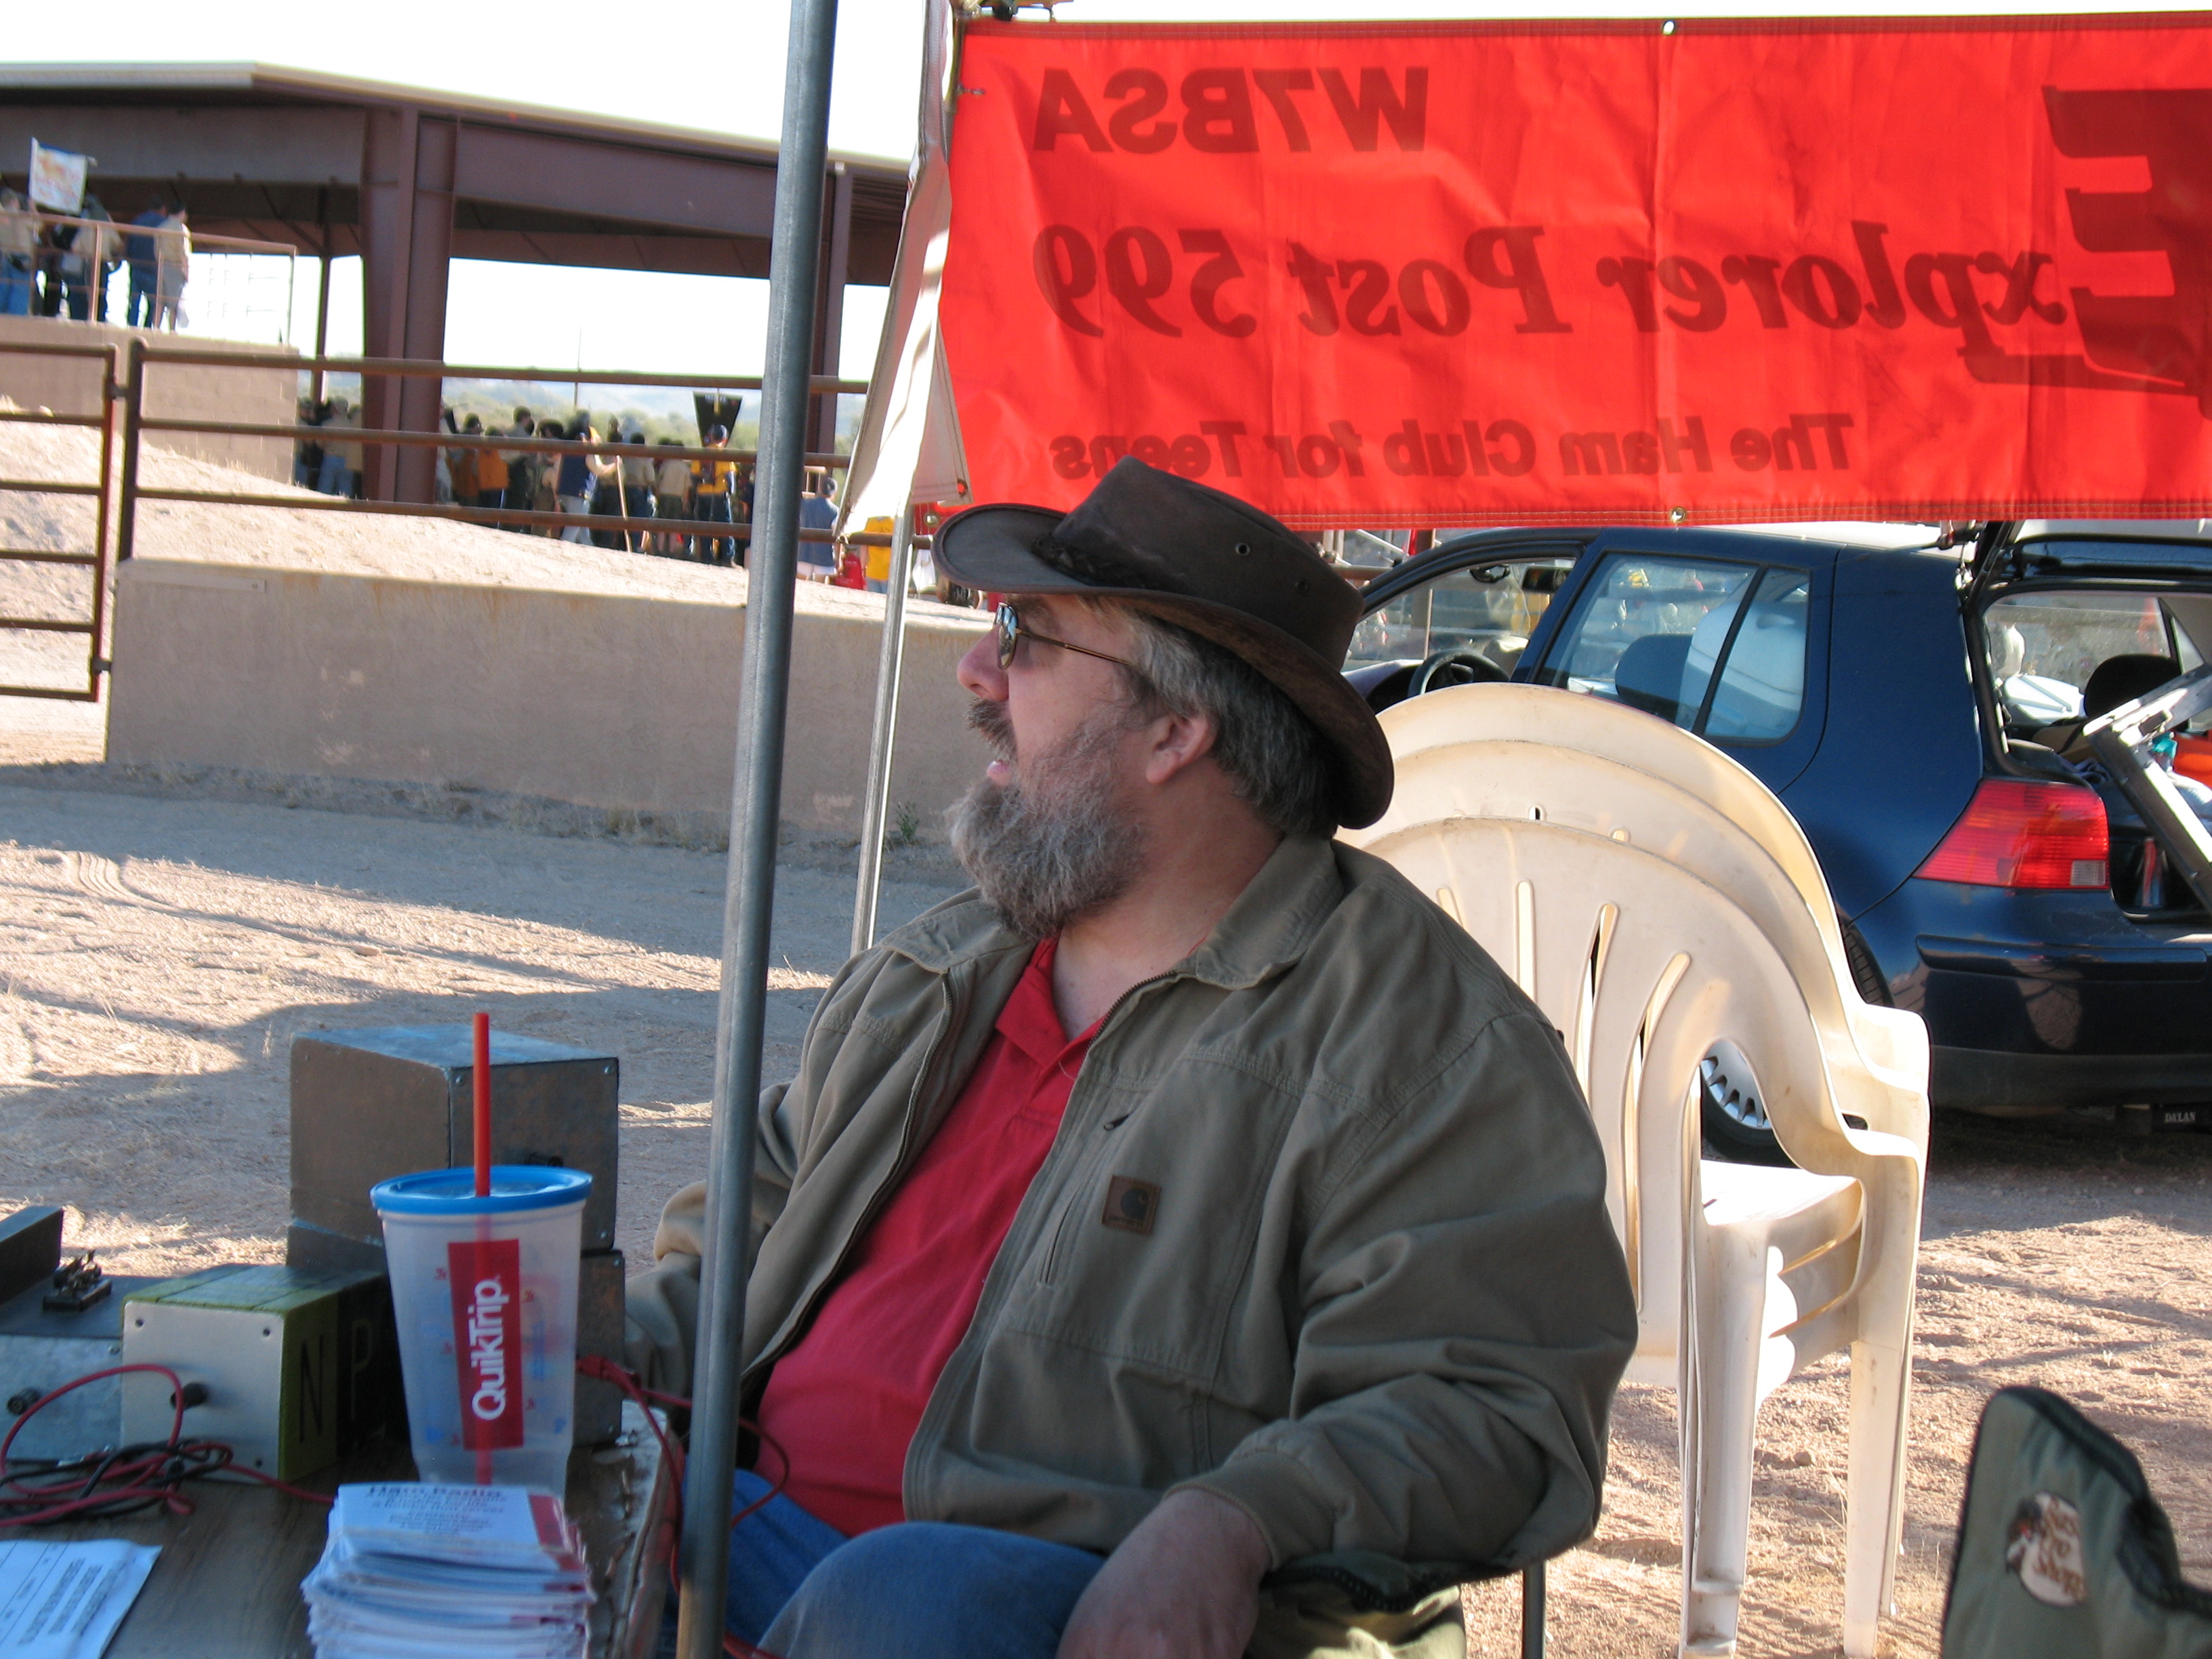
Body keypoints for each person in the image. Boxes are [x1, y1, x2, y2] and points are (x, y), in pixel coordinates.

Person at [623, 457, 1638, 1659]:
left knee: (903, 1599)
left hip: (1087, 1613)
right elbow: (729, 1256)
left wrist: (1232, 1521)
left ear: (1174, 731)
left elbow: (1495, 1408)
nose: (977, 669)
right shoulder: (930, 975)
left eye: (1027, 635)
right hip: (746, 1540)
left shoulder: (1421, 1050)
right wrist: (560, 1364)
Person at [691, 424, 737, 565]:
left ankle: (706, 557)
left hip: (703, 494)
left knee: (705, 526)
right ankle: (727, 558)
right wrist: (731, 493)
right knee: (726, 526)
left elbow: (694, 477)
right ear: (725, 439)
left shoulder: (701, 454)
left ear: (710, 437)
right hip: (719, 495)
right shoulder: (725, 455)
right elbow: (730, 477)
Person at [123, 201, 165, 327]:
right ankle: (147, 327)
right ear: (163, 209)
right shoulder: (164, 223)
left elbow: (128, 245)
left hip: (136, 266)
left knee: (134, 301)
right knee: (154, 303)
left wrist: (130, 259)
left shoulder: (137, 221)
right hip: (154, 268)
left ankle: (132, 327)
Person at [556, 424, 596, 544]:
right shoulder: (587, 452)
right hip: (579, 493)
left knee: (581, 528)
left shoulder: (567, 451)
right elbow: (597, 469)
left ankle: (589, 548)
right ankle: (563, 547)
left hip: (565, 491)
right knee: (574, 525)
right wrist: (613, 466)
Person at [151, 205, 189, 332]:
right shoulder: (181, 229)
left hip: (162, 265)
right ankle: (172, 330)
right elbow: (183, 253)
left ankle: (156, 328)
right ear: (182, 212)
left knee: (160, 302)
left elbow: (156, 249)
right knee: (174, 302)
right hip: (175, 267)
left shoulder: (161, 227)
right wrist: (187, 272)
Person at [796, 468, 838, 580]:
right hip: (824, 555)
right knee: (820, 586)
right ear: (834, 493)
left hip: (804, 551)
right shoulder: (835, 511)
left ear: (819, 489)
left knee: (800, 584)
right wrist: (838, 558)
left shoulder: (804, 504)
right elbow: (837, 537)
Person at [653, 444, 693, 556]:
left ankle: (660, 549)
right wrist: (685, 502)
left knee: (662, 523)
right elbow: (687, 488)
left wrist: (657, 493)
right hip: (677, 498)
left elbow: (658, 480)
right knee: (674, 526)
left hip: (664, 495)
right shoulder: (685, 468)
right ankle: (671, 550)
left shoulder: (666, 464)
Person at [501, 411, 537, 533]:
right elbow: (531, 453)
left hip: (507, 469)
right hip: (519, 468)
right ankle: (514, 527)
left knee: (510, 500)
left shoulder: (509, 431)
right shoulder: (522, 435)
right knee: (518, 500)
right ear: (524, 418)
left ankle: (506, 525)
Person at [0, 190, 35, 317]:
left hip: (6, 256)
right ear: (14, 201)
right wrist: (33, 208)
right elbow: (39, 225)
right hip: (22, 257)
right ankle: (17, 319)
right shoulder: (21, 216)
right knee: (20, 290)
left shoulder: (2, 217)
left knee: (4, 288)